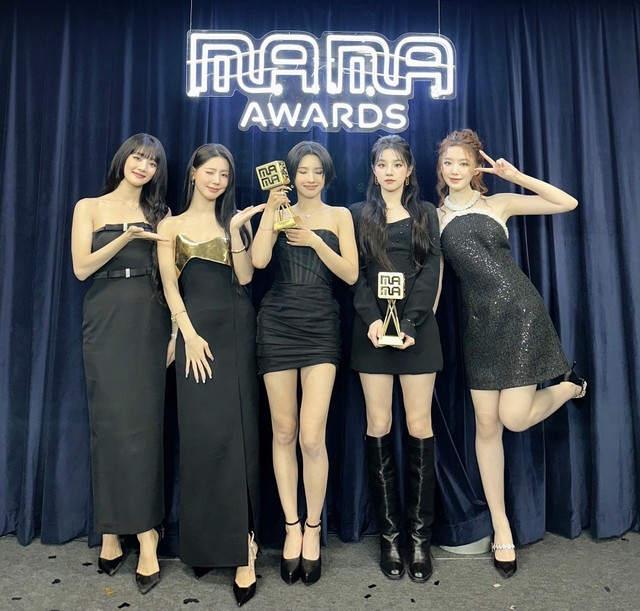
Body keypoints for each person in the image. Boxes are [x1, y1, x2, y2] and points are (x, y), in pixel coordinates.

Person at [436, 128, 587, 578]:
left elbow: (566, 203)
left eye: (464, 163)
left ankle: (569, 388)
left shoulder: (497, 203)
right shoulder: (435, 217)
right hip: (479, 328)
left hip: (521, 314)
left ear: (475, 168)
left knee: (514, 418)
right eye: (448, 163)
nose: (456, 170)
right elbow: (436, 283)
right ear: (440, 168)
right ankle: (501, 526)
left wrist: (516, 176)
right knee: (487, 426)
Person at [157, 144, 264, 607]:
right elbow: (169, 284)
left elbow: (246, 277)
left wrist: (237, 231)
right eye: (210, 172)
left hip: (236, 332)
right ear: (194, 173)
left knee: (238, 437)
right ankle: (204, 544)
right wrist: (186, 334)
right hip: (195, 336)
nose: (217, 180)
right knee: (201, 437)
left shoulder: (234, 220)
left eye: (224, 174)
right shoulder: (170, 225)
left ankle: (244, 548)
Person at [252, 141, 358, 586]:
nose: (310, 178)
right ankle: (291, 527)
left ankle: (314, 527)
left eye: (317, 171)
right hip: (277, 322)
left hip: (320, 326)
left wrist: (313, 239)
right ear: (290, 176)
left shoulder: (340, 216)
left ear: (327, 176)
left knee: (312, 437)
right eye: (302, 171)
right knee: (284, 432)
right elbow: (258, 261)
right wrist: (270, 212)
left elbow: (351, 274)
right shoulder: (277, 211)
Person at [71, 133, 170, 595]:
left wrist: (175, 332)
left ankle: (147, 534)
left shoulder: (161, 213)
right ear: (123, 159)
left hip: (148, 317)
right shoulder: (89, 207)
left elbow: (170, 277)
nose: (143, 166)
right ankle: (110, 529)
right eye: (137, 157)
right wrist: (126, 237)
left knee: (144, 428)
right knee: (108, 425)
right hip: (104, 313)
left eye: (151, 162)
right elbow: (81, 268)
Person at [350, 135, 443, 583]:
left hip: (417, 332)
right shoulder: (357, 214)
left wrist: (410, 323)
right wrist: (373, 319)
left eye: (396, 164)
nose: (388, 171)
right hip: (370, 333)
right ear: (373, 170)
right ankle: (389, 537)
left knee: (419, 424)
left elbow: (432, 272)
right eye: (381, 164)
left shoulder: (426, 214)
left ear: (409, 170)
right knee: (379, 423)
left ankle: (420, 539)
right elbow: (355, 275)